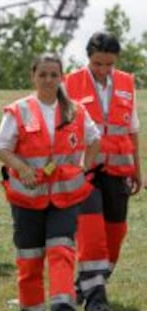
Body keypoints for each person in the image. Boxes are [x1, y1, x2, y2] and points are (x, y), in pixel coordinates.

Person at [0, 54, 100, 311]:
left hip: (66, 197)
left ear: (61, 77)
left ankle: (63, 305)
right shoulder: (19, 110)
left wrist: (84, 167)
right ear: (33, 77)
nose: (48, 80)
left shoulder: (76, 110)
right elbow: (0, 147)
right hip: (27, 197)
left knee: (61, 249)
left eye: (54, 75)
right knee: (29, 258)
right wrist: (21, 168)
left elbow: (95, 139)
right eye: (43, 74)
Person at [64, 32, 142, 311]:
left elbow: (132, 130)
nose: (103, 70)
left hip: (119, 170)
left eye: (109, 64)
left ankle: (85, 284)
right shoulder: (70, 83)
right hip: (85, 170)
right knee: (92, 234)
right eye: (98, 64)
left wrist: (138, 170)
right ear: (89, 58)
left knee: (116, 233)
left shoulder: (126, 82)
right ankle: (96, 300)